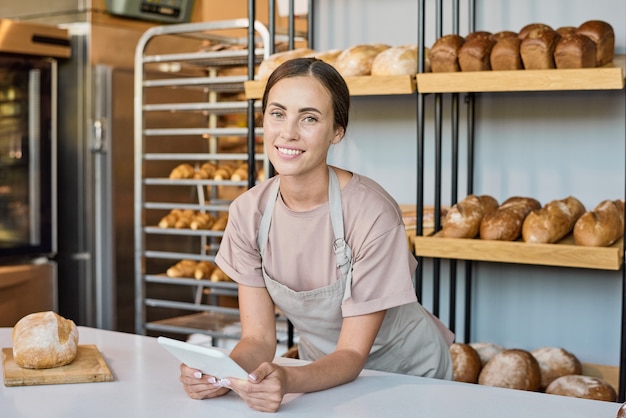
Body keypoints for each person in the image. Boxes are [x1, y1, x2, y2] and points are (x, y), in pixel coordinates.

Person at [179, 57, 453, 412]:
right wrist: (221, 375)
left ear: (337, 131)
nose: (289, 132)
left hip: (408, 375)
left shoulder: (371, 213)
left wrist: (288, 379)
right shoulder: (249, 213)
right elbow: (258, 338)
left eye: (309, 118)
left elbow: (353, 354)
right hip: (322, 376)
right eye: (278, 114)